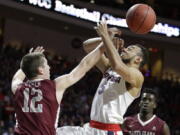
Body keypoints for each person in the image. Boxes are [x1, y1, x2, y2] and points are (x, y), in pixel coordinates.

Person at [57, 21, 148, 135]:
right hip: (91, 127)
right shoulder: (109, 67)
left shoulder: (137, 76)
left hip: (109, 131)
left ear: (138, 59)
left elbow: (118, 65)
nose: (124, 49)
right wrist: (105, 39)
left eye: (130, 49)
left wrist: (106, 37)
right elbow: (87, 47)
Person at [11, 45, 105, 135]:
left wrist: (30, 63)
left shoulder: (18, 87)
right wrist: (104, 44)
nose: (49, 67)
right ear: (40, 70)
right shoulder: (55, 86)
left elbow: (16, 78)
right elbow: (84, 65)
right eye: (46, 64)